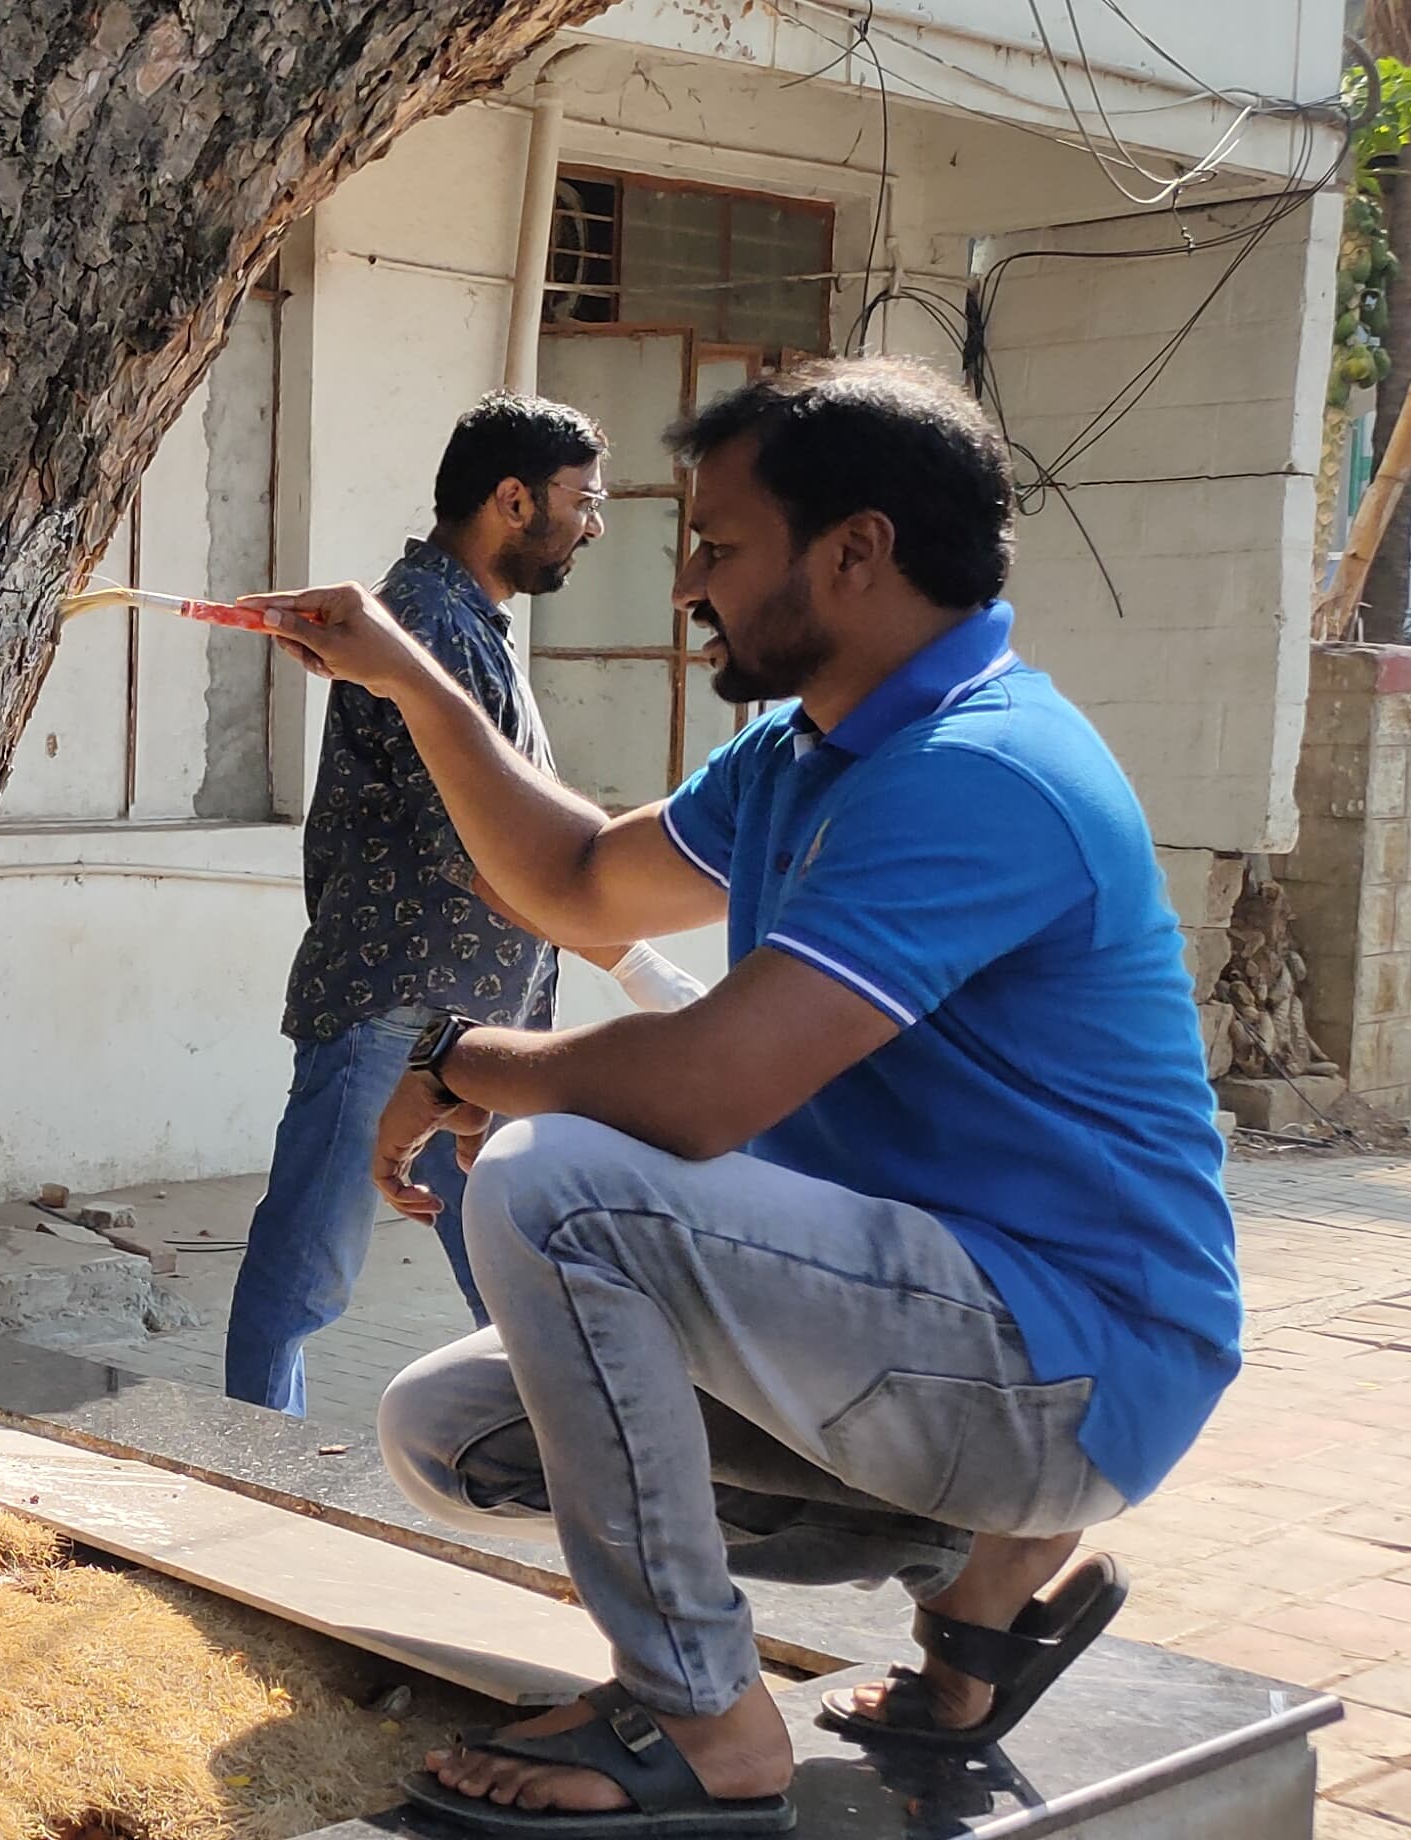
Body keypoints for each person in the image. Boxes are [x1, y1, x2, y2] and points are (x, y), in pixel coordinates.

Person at [247, 358, 1237, 1836]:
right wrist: (407, 674)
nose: (685, 588)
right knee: (454, 1433)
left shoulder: (981, 771)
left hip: (1069, 1359)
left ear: (857, 551)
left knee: (547, 1183)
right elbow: (581, 880)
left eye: (717, 547)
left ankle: (702, 1716)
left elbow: (702, 1092)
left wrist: (461, 1063)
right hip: (937, 1326)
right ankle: (986, 1581)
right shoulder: (809, 750)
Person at [229, 394, 651, 1415]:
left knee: (508, 1270)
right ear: (513, 498)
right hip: (397, 1003)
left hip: (469, 1020)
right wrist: (622, 952)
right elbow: (477, 847)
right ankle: (241, 1469)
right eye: (581, 500)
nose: (593, 525)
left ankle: (529, 1470)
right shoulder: (424, 624)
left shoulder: (458, 618)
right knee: (306, 1271)